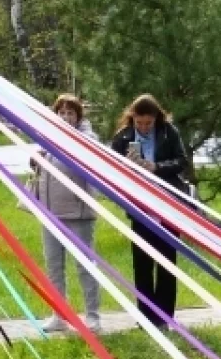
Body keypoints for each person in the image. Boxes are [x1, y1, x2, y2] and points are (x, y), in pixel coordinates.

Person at [110, 94, 191, 327]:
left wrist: (156, 167)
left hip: (167, 205)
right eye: (140, 123)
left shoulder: (168, 132)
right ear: (132, 118)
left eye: (149, 123)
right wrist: (126, 165)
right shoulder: (122, 137)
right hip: (140, 206)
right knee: (142, 262)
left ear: (157, 118)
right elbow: (112, 169)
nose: (144, 127)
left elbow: (181, 161)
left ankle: (165, 317)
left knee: (167, 260)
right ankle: (146, 316)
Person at [33, 94, 101, 333]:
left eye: (70, 113)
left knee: (84, 266)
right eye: (61, 112)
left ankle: (92, 316)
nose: (65, 117)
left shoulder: (86, 138)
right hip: (50, 213)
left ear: (78, 116)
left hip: (78, 213)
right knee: (54, 266)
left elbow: (86, 159)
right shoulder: (48, 138)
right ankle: (59, 315)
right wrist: (37, 160)